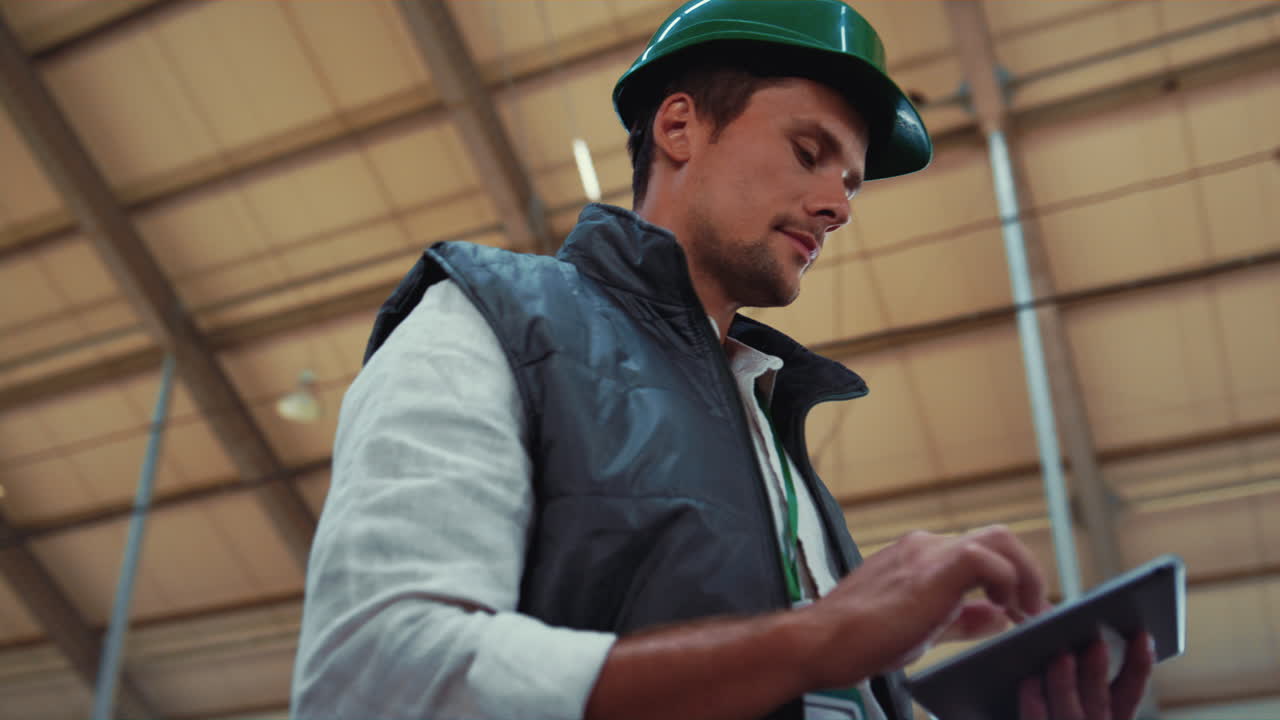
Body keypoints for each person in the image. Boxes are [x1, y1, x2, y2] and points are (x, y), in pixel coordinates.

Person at [291, 1, 1154, 719]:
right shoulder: (488, 317)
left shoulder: (773, 436)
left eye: (851, 185)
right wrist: (815, 639)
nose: (836, 206)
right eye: (809, 154)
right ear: (679, 126)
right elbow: (376, 675)